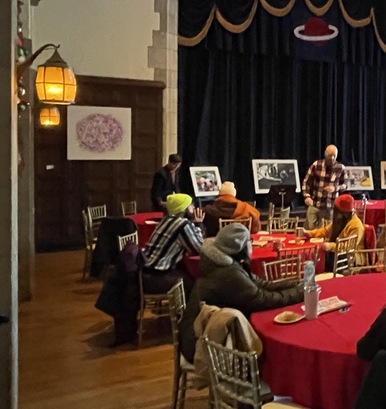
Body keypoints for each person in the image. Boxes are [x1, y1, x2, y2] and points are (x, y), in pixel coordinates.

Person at [178, 223, 302, 364]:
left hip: (201, 334)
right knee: (274, 343)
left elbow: (260, 284)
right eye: (250, 241)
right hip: (205, 345)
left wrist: (295, 285)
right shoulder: (228, 273)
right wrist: (299, 294)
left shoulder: (223, 263)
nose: (252, 245)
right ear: (241, 246)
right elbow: (261, 299)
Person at [141, 193, 205, 293]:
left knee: (186, 273)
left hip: (144, 273)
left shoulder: (166, 220)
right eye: (191, 205)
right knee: (195, 284)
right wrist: (198, 223)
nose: (193, 208)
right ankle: (186, 308)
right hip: (157, 277)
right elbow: (199, 248)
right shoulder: (182, 224)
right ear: (184, 209)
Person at [302, 144, 348, 223]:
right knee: (311, 231)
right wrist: (307, 196)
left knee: (328, 232)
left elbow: (346, 184)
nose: (332, 158)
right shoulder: (316, 165)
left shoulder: (341, 168)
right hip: (315, 205)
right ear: (325, 154)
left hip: (331, 207)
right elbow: (306, 182)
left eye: (334, 155)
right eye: (330, 155)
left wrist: (335, 188)